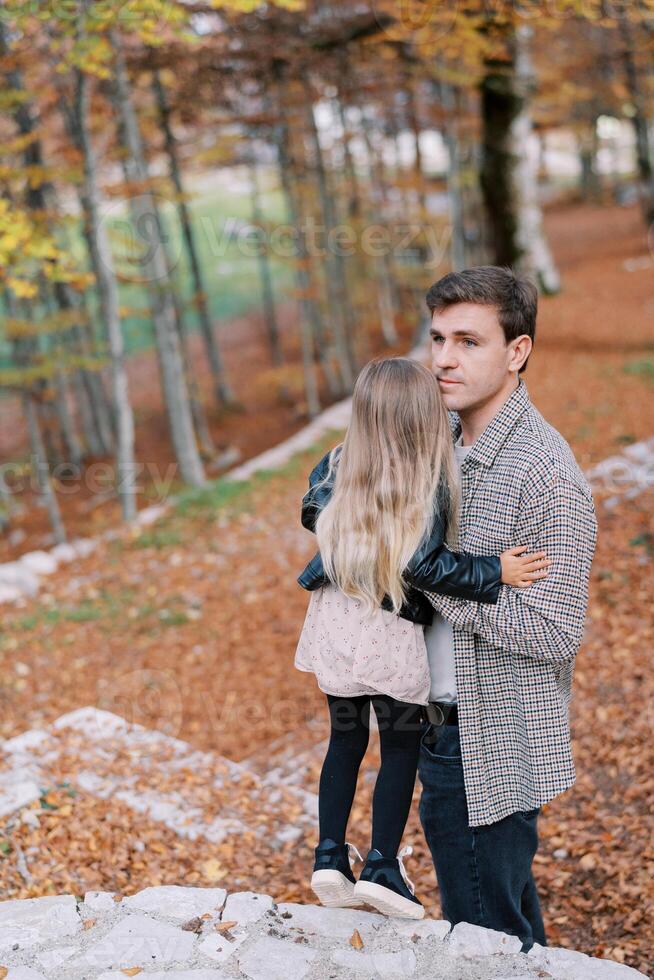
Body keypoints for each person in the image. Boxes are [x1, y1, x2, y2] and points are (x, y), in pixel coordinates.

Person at [294, 356, 551, 919]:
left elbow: (312, 515)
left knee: (344, 740)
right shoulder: (423, 478)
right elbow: (426, 566)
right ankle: (383, 865)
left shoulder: (335, 465)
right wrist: (493, 572)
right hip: (387, 627)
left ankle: (329, 854)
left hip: (335, 620)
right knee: (401, 746)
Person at [416, 266, 597, 951]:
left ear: (516, 352)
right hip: (443, 730)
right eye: (437, 339)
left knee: (482, 940)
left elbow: (555, 629)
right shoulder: (448, 444)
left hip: (490, 740)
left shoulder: (546, 475)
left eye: (467, 341)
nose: (442, 359)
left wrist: (442, 583)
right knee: (505, 925)